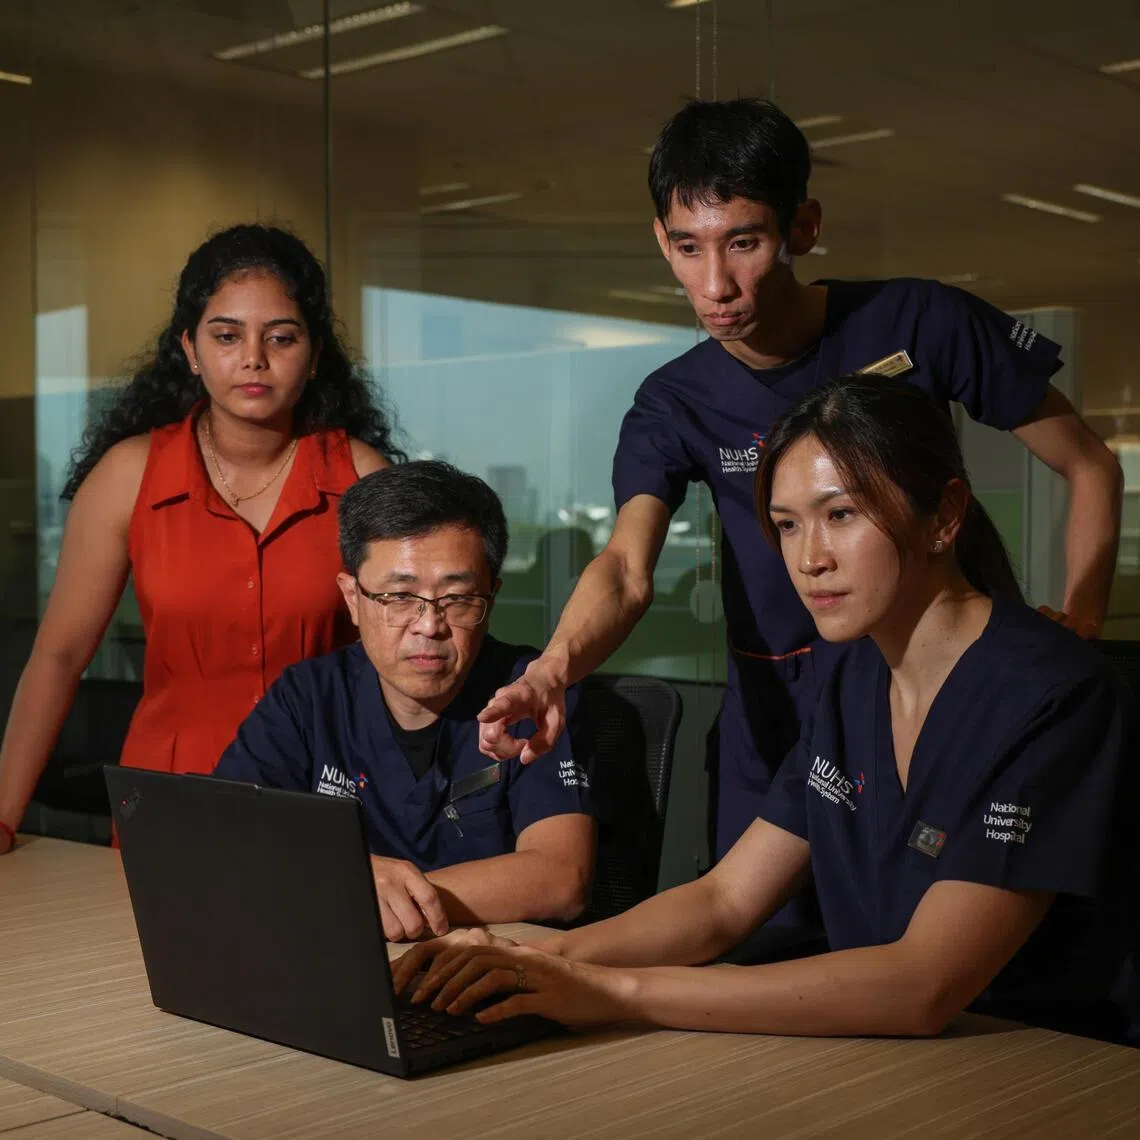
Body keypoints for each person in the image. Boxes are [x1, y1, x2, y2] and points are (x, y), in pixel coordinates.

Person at [476, 98, 1123, 868]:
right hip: (776, 719)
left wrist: (1082, 619)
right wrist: (551, 671)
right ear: (661, 240)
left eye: (743, 242)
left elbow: (1089, 463)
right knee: (755, 943)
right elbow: (624, 567)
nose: (714, 283)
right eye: (687, 248)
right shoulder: (673, 401)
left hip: (946, 691)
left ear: (802, 228)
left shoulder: (920, 321)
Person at [393, 376, 1138, 1045]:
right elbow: (723, 900)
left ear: (944, 515)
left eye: (840, 514)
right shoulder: (852, 671)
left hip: (1045, 1064)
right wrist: (535, 956)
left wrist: (609, 991)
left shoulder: (1052, 692)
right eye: (786, 525)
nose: (809, 557)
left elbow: (920, 987)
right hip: (884, 1056)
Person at [0, 224, 401, 855]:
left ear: (315, 351)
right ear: (190, 347)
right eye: (226, 335)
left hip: (330, 794)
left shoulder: (363, 477)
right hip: (169, 797)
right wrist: (2, 816)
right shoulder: (128, 476)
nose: (253, 359)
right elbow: (58, 658)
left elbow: (408, 659)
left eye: (281, 337)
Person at [214, 462, 598, 941]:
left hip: (498, 966)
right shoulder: (309, 696)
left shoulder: (533, 696)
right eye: (398, 596)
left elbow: (562, 879)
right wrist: (357, 887)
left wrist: (366, 892)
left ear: (491, 599)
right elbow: (225, 836)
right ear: (352, 598)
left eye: (457, 599)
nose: (428, 625)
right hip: (343, 957)